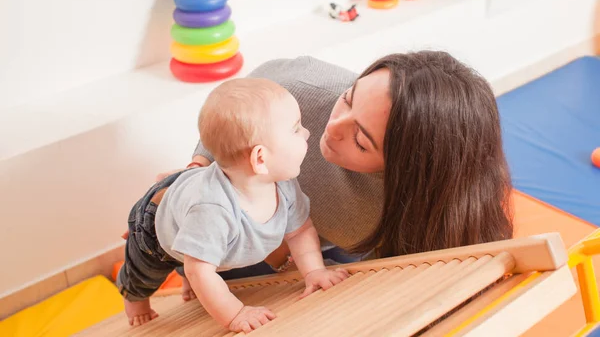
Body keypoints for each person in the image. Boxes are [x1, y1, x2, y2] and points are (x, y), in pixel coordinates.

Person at [164, 51, 513, 281]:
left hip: (319, 242)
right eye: (348, 98)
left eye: (361, 141)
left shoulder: (422, 215)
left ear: (404, 172)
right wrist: (199, 167)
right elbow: (231, 114)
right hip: (254, 226)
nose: (331, 128)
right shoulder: (296, 91)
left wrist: (290, 255)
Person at [117, 78, 349, 332]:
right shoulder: (212, 210)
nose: (306, 133)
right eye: (296, 129)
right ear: (260, 159)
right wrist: (235, 313)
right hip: (156, 221)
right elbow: (200, 271)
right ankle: (134, 298)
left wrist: (314, 271)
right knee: (149, 271)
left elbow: (300, 231)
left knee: (201, 251)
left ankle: (187, 278)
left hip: (189, 198)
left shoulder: (282, 183)